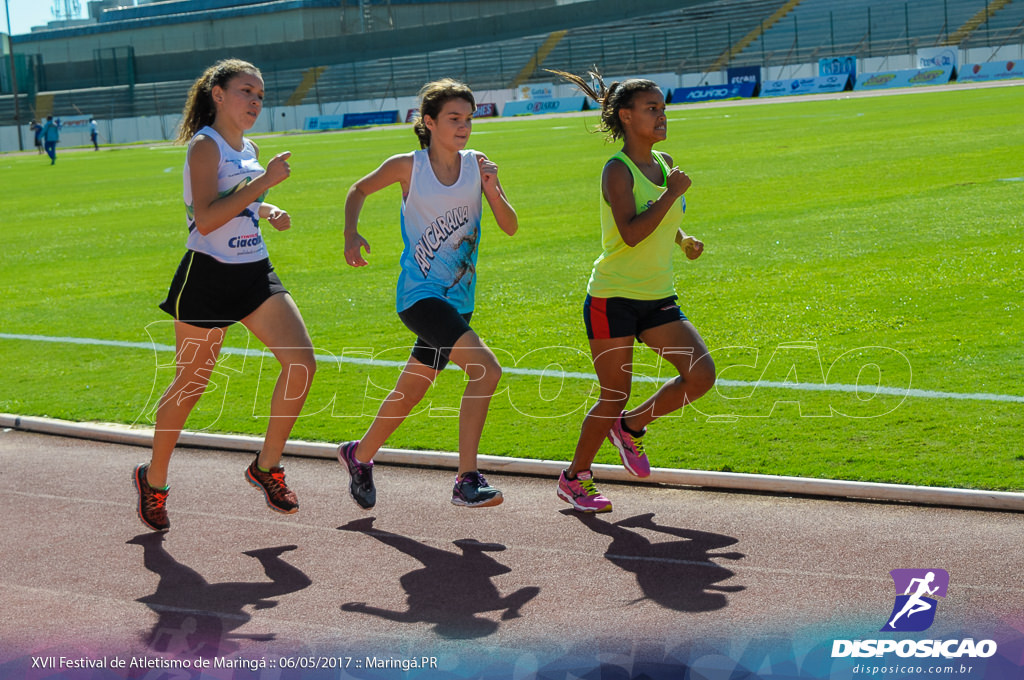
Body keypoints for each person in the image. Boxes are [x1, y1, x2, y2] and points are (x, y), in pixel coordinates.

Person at [133, 59, 317, 532]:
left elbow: (242, 201)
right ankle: (153, 482)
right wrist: (265, 183)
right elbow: (208, 218)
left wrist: (267, 206)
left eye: (260, 95)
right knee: (191, 385)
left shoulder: (249, 146)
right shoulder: (204, 146)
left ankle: (266, 466)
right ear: (218, 94)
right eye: (245, 92)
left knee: (301, 364)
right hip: (208, 277)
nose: (255, 102)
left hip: (254, 270)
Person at [339, 78, 518, 510]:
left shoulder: (478, 165)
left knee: (413, 389)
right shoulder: (408, 166)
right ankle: (466, 479)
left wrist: (492, 187)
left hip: (459, 301)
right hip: (420, 297)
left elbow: (510, 225)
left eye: (469, 119)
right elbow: (358, 189)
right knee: (486, 371)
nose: (463, 127)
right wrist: (351, 233)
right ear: (429, 121)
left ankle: (358, 456)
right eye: (454, 118)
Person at [547, 68, 715, 513]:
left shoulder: (662, 164)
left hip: (658, 295)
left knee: (701, 375)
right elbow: (632, 232)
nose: (662, 115)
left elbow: (661, 220)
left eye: (662, 107)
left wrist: (684, 239)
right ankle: (574, 477)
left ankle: (632, 427)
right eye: (651, 109)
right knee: (613, 392)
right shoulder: (616, 171)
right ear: (625, 116)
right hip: (613, 298)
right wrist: (671, 193)